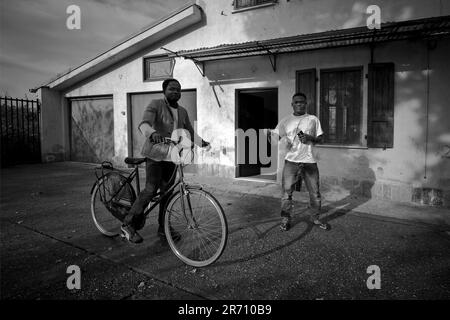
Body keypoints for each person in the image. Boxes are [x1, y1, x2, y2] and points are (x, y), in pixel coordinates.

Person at [121, 78, 210, 243]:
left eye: (178, 89)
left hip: (172, 157)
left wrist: (201, 142)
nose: (175, 92)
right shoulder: (156, 104)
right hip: (155, 154)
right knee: (150, 189)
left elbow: (189, 130)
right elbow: (144, 123)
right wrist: (152, 133)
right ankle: (128, 224)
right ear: (164, 91)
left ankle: (164, 230)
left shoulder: (182, 111)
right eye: (172, 89)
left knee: (167, 194)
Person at [269, 92, 328, 231]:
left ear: (306, 104)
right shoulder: (285, 121)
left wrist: (310, 138)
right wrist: (279, 140)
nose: (299, 104)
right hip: (291, 161)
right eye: (296, 102)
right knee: (286, 192)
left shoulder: (313, 119)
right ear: (292, 104)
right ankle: (285, 218)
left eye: (302, 102)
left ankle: (315, 218)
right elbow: (273, 139)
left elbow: (322, 139)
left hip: (309, 161)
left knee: (315, 192)